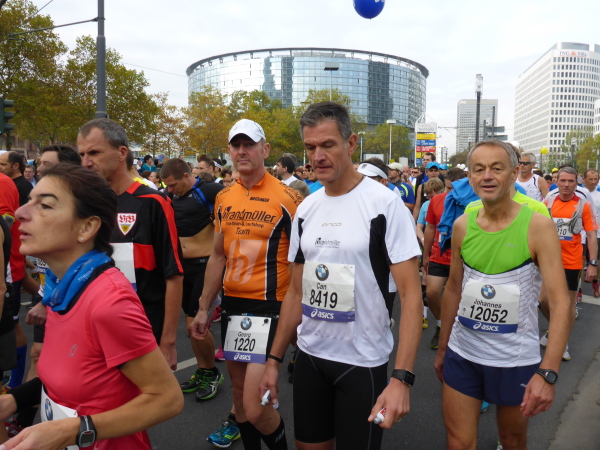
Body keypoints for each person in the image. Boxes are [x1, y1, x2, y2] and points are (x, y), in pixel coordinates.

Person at [260, 102, 422, 450]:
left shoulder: (384, 204)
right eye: (310, 147)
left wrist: (402, 379)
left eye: (327, 144)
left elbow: (411, 297)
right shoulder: (306, 208)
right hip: (310, 356)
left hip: (362, 362)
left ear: (350, 144)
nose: (318, 156)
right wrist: (274, 360)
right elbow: (295, 292)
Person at [0, 164, 183, 449]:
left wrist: (73, 431)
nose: (21, 212)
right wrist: (14, 400)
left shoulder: (109, 303)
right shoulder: (63, 290)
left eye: (45, 205)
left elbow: (167, 399)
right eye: (29, 201)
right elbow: (77, 379)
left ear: (86, 227)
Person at [434, 140, 572, 450]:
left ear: (513, 173)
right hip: (463, 353)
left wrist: (548, 372)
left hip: (514, 360)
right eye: (479, 169)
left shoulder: (538, 226)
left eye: (497, 168)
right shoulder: (462, 225)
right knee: (458, 442)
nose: (487, 176)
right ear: (470, 177)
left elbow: (560, 301)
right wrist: (443, 349)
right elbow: (454, 288)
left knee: (511, 441)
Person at [191, 118, 302, 450]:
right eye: (236, 145)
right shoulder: (224, 197)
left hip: (270, 307)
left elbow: (303, 261)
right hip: (233, 306)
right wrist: (203, 307)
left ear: (264, 150)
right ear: (229, 151)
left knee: (255, 405)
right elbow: (217, 256)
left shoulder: (289, 197)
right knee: (240, 397)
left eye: (249, 145)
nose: (242, 151)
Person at [78, 118, 184, 370]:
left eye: (94, 153)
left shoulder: (152, 203)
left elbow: (173, 274)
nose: (86, 162)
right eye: (82, 154)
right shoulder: (83, 204)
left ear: (121, 153)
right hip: (94, 329)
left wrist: (168, 341)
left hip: (143, 328)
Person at [160, 158, 225, 401]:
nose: (170, 189)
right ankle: (203, 370)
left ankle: (212, 373)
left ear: (187, 176)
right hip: (182, 268)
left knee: (193, 324)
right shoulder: (170, 196)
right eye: (167, 185)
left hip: (205, 266)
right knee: (191, 327)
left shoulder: (208, 191)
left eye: (173, 184)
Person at [539, 166, 597, 361]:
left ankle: (561, 341)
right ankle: (555, 330)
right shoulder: (548, 202)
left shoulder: (583, 205)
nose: (566, 184)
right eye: (562, 180)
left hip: (572, 262)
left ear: (576, 183)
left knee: (567, 305)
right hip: (549, 260)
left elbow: (591, 236)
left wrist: (593, 263)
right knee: (543, 301)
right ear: (557, 182)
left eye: (570, 181)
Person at [582, 169, 600, 297]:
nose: (593, 182)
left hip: (597, 233)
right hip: (581, 234)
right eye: (590, 179)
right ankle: (578, 289)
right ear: (584, 179)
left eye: (596, 179)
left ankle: (595, 282)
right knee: (580, 261)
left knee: (597, 262)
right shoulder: (580, 193)